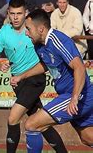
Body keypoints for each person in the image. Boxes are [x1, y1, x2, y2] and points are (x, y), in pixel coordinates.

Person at [0, 0, 67, 153]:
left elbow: (48, 57)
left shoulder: (33, 31)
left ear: (26, 13)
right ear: (8, 14)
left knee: (13, 118)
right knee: (41, 124)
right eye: (12, 13)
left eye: (19, 13)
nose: (16, 17)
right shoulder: (3, 32)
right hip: (18, 83)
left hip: (35, 79)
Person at [12, 9, 93, 151]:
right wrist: (22, 75)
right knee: (87, 137)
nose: (26, 33)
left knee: (32, 124)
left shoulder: (58, 40)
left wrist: (74, 98)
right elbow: (46, 64)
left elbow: (79, 67)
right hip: (73, 95)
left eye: (29, 29)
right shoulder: (39, 45)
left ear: (41, 29)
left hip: (77, 94)